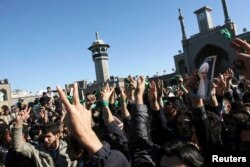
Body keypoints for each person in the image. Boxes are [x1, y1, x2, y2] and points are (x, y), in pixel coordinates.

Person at [11, 106, 78, 167]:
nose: (45, 139)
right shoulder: (37, 150)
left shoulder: (68, 150)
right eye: (44, 137)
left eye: (49, 137)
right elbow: (18, 147)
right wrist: (19, 123)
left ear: (57, 135)